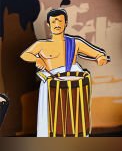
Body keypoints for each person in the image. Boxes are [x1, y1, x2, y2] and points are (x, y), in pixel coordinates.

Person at [20, 8, 109, 136]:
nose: (57, 24)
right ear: (48, 24)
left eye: (60, 21)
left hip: (74, 85)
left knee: (74, 120)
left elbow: (98, 54)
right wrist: (37, 59)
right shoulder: (41, 45)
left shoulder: (75, 43)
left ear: (66, 23)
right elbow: (25, 55)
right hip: (51, 85)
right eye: (53, 21)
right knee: (52, 122)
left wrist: (100, 58)